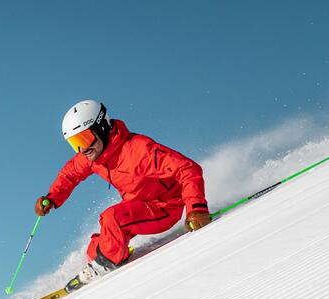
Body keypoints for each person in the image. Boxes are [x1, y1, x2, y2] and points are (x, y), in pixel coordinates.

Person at [35, 100, 212, 285]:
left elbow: (187, 169)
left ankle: (106, 264)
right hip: (137, 207)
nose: (82, 149)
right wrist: (52, 197)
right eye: (75, 143)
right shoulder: (94, 156)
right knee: (94, 248)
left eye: (84, 139)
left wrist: (196, 208)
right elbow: (70, 174)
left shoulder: (138, 150)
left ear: (102, 127)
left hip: (165, 207)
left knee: (112, 218)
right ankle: (109, 257)